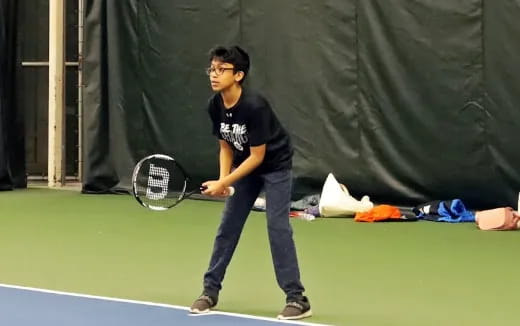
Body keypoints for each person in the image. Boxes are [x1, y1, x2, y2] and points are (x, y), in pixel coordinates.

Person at [189, 45, 312, 320]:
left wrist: (225, 181)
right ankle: (210, 292)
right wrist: (223, 180)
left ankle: (297, 298)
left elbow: (258, 157)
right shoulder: (215, 105)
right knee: (227, 227)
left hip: (274, 166)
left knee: (277, 227)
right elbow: (225, 148)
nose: (214, 74)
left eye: (222, 69)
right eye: (212, 68)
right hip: (244, 167)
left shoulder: (255, 106)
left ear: (239, 75)